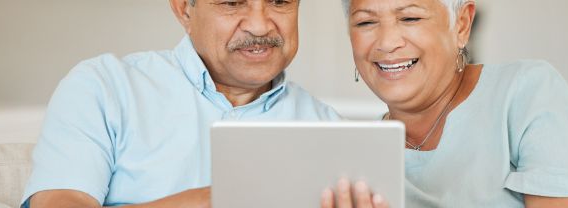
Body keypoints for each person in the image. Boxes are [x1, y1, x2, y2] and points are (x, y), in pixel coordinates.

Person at [21, 0, 339, 207]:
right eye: (232, 3)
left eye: (280, 1)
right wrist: (206, 202)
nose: (259, 25)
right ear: (183, 8)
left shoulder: (330, 129)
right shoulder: (103, 88)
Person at [322, 0, 568, 207]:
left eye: (410, 17)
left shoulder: (526, 92)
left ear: (461, 25)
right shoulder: (358, 158)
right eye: (366, 22)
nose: (386, 42)